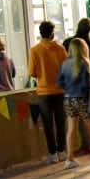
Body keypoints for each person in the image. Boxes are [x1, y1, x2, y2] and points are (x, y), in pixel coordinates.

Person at [28, 20, 69, 164]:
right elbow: (66, 69)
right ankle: (62, 151)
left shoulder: (34, 50)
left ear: (40, 33)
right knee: (60, 122)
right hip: (60, 90)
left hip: (43, 92)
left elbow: (32, 72)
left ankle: (52, 154)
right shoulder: (61, 49)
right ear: (52, 33)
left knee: (48, 123)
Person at [58, 37, 90, 170]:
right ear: (83, 48)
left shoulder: (65, 64)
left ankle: (69, 159)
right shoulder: (85, 63)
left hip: (68, 99)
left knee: (71, 128)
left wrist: (69, 89)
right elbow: (87, 84)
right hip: (82, 98)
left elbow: (60, 82)